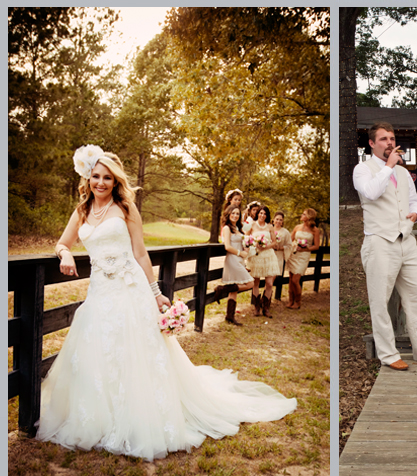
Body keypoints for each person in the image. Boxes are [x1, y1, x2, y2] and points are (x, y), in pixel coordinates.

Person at [37, 145, 296, 460]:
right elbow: (63, 242)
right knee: (98, 350)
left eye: (107, 178)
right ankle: (100, 416)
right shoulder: (81, 212)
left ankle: (138, 414)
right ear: (88, 178)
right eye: (96, 176)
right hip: (100, 292)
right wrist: (64, 253)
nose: (101, 183)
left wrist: (155, 291)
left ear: (116, 181)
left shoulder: (127, 209)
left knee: (138, 351)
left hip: (131, 289)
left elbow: (141, 253)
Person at [353, 122, 417, 371]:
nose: (390, 143)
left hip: (406, 240)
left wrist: (415, 214)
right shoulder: (362, 170)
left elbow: (414, 202)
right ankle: (388, 353)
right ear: (372, 143)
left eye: (392, 138)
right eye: (383, 139)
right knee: (380, 300)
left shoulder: (404, 173)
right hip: (379, 241)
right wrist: (389, 167)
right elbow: (371, 193)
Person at [213, 205, 254, 326]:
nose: (235, 215)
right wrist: (239, 252)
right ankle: (221, 289)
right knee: (250, 283)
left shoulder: (238, 228)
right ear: (228, 214)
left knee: (234, 289)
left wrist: (246, 248)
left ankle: (230, 316)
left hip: (240, 259)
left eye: (237, 214)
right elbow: (227, 246)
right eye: (233, 213)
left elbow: (241, 242)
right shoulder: (227, 228)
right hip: (232, 259)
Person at [247, 206, 280, 318]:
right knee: (256, 282)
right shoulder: (252, 225)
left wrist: (265, 246)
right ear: (258, 214)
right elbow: (246, 239)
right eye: (260, 213)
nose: (262, 215)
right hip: (256, 256)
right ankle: (256, 307)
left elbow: (274, 242)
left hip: (268, 255)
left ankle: (266, 307)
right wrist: (254, 244)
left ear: (267, 215)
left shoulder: (270, 226)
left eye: (264, 214)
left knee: (269, 283)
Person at [286, 208, 321, 309]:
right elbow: (290, 240)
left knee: (295, 280)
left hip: (303, 256)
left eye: (304, 214)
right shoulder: (297, 227)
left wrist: (306, 249)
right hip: (294, 254)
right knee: (290, 278)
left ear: (309, 217)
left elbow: (316, 246)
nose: (301, 215)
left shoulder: (315, 230)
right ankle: (290, 301)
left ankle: (298, 302)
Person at [272, 211, 292, 278]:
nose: (278, 221)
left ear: (282, 222)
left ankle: (267, 288)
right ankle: (267, 289)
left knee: (273, 276)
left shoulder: (285, 232)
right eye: (277, 219)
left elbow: (289, 246)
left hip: (279, 257)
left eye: (280, 220)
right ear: (273, 219)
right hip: (269, 255)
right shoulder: (269, 229)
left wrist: (280, 248)